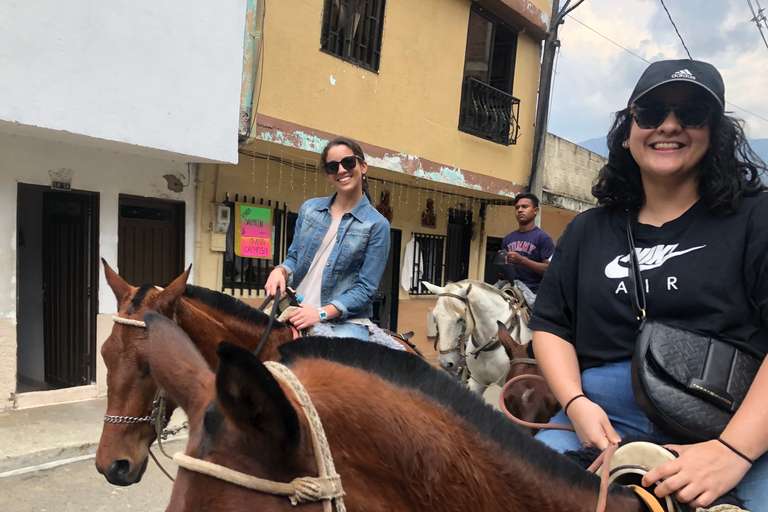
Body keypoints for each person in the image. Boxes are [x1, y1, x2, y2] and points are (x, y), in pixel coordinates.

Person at [529, 59, 768, 511]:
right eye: (652, 112)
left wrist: (732, 452)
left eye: (692, 112)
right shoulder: (587, 230)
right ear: (629, 130)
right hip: (600, 416)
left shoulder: (757, 219)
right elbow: (551, 325)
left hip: (727, 420)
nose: (670, 125)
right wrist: (577, 403)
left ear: (715, 131)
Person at [264, 137, 390, 341]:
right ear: (328, 173)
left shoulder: (377, 225)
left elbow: (365, 289)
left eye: (348, 163)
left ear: (363, 166)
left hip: (345, 322)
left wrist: (319, 313)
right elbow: (295, 258)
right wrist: (280, 270)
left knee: (339, 368)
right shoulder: (310, 209)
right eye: (333, 166)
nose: (341, 170)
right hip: (295, 308)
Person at [499, 193, 554, 294]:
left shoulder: (543, 238)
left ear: (536, 211)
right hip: (510, 288)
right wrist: (501, 263)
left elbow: (550, 270)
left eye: (525, 207)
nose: (520, 210)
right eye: (517, 208)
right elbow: (503, 273)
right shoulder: (508, 238)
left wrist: (522, 260)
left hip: (533, 292)